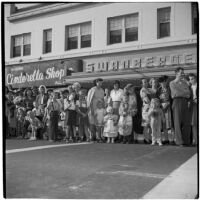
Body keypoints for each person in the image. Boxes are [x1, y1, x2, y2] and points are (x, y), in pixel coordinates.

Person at [169, 67, 191, 146]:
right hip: (177, 102)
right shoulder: (172, 83)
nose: (183, 74)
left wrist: (182, 91)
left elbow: (188, 94)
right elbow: (175, 94)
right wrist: (184, 91)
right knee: (177, 122)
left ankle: (186, 141)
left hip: (185, 101)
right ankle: (179, 141)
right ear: (176, 73)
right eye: (181, 72)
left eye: (183, 72)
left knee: (187, 122)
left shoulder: (185, 83)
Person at [158, 76, 174, 145]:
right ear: (160, 83)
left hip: (170, 108)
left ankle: (173, 139)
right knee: (164, 124)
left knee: (171, 124)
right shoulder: (159, 90)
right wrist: (161, 107)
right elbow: (157, 100)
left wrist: (168, 104)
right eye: (161, 82)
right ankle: (166, 139)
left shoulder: (169, 88)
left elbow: (172, 97)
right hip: (162, 108)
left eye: (164, 82)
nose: (163, 83)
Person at [140, 78, 151, 144]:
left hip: (150, 108)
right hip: (146, 109)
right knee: (145, 125)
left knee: (149, 124)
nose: (146, 83)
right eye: (144, 82)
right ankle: (146, 139)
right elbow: (146, 99)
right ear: (142, 84)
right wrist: (152, 103)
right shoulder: (143, 90)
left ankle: (149, 138)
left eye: (146, 82)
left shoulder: (149, 90)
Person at [188, 73, 197, 146]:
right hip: (192, 106)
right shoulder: (189, 87)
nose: (191, 80)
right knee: (193, 123)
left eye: (192, 78)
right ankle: (195, 140)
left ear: (195, 78)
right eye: (190, 79)